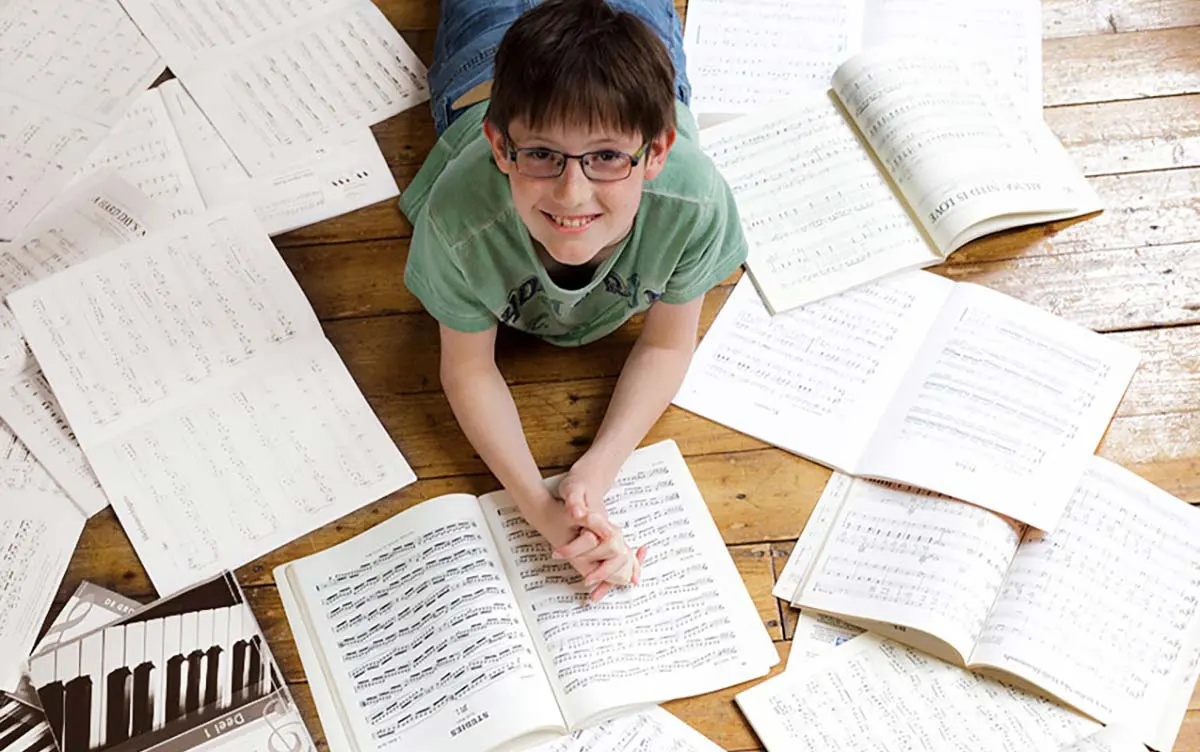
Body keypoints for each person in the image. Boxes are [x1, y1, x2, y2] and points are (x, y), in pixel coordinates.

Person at [399, 0, 747, 600]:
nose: (571, 192)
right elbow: (467, 367)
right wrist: (540, 507)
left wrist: (598, 469)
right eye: (540, 155)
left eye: (609, 157)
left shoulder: (694, 200)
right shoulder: (460, 216)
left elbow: (668, 343)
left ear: (656, 153)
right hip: (491, 48)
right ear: (500, 148)